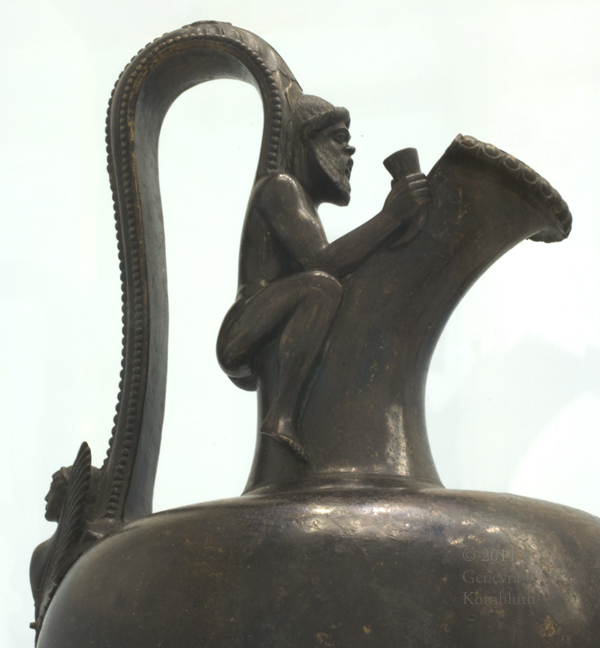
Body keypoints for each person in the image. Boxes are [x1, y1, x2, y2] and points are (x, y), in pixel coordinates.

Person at [217, 95, 430, 459]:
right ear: (305, 142)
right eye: (338, 137)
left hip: (274, 314)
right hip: (243, 328)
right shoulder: (280, 187)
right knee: (322, 287)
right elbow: (323, 262)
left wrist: (403, 223)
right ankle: (282, 415)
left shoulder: (299, 199)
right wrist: (391, 218)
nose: (350, 150)